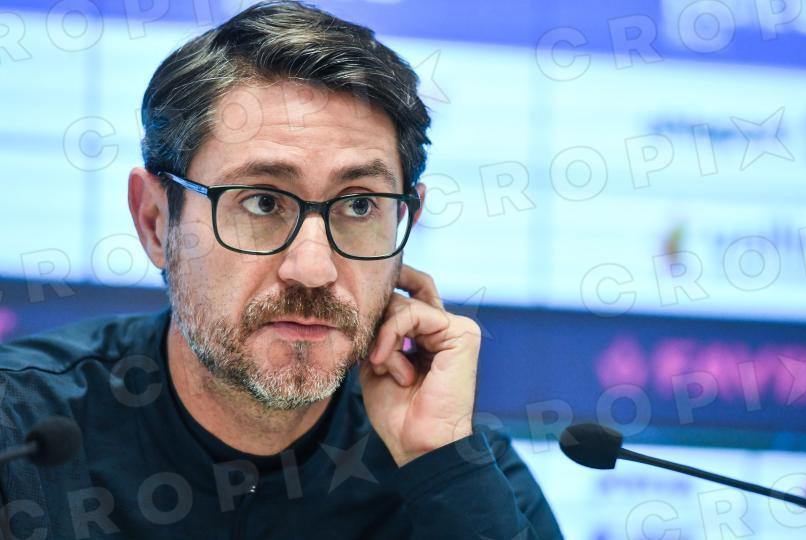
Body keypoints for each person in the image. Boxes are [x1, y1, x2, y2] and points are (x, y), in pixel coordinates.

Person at [0, 2, 563, 538]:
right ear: (155, 222)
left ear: (404, 223)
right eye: (263, 202)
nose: (313, 269)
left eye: (359, 206)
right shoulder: (19, 433)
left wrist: (440, 463)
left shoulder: (456, 462)